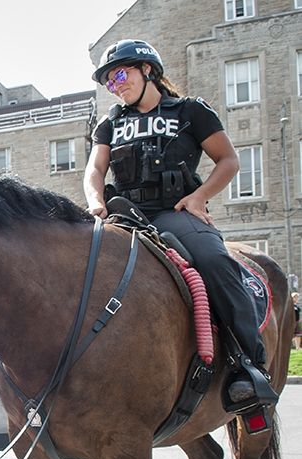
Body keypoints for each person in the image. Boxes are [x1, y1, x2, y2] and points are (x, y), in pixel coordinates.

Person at [83, 39, 276, 409]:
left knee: (216, 261)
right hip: (125, 214)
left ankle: (248, 367)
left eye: (120, 74)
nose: (115, 84)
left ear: (147, 70)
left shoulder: (190, 111)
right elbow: (95, 169)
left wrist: (200, 197)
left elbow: (229, 160)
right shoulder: (110, 123)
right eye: (109, 81)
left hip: (175, 211)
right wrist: (95, 202)